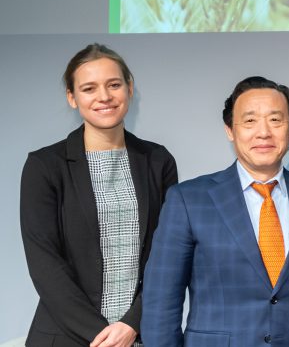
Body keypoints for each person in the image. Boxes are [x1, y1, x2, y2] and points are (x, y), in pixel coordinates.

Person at [141, 76, 289, 346]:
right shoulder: (189, 200)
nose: (264, 132)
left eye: (275, 120)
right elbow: (161, 303)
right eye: (250, 120)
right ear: (230, 130)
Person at [20, 43, 178, 347]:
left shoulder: (158, 161)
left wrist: (131, 324)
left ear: (130, 89)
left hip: (139, 336)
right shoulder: (45, 166)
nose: (104, 97)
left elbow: (167, 256)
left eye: (114, 85)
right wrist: (103, 336)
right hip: (65, 337)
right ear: (72, 97)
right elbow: (44, 263)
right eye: (89, 88)